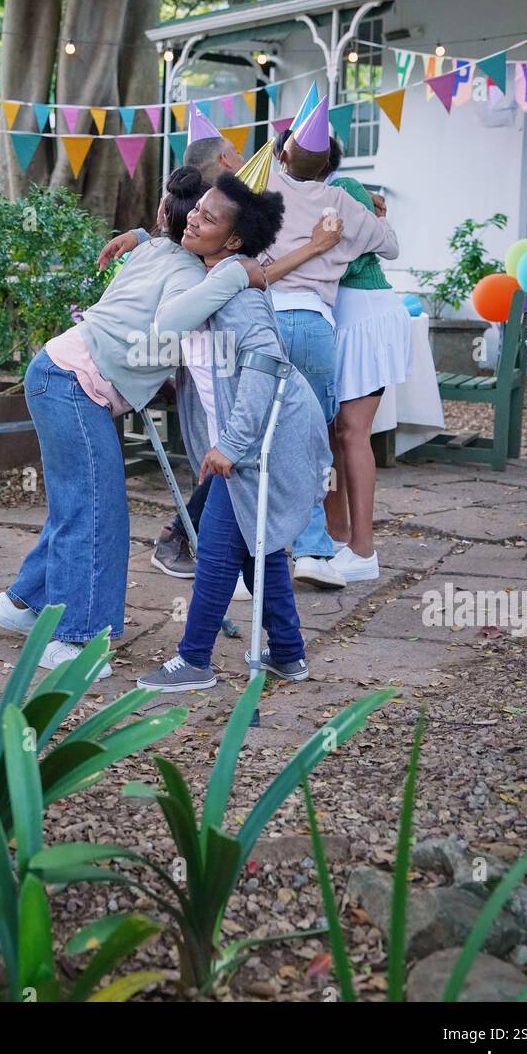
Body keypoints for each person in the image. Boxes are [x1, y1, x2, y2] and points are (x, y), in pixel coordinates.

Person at [0, 164, 265, 677]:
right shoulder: (186, 271)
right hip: (73, 381)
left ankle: (21, 603)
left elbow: (156, 231)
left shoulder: (156, 247)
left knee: (81, 505)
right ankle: (74, 643)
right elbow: (172, 319)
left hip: (59, 373)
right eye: (200, 214)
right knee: (95, 512)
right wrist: (237, 273)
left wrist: (138, 233)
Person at [135, 173, 331, 692]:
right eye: (196, 209)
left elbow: (263, 369)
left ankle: (194, 660)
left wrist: (233, 446)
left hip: (267, 437)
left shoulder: (241, 299)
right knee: (256, 551)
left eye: (208, 217)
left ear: (235, 241)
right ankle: (288, 654)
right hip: (244, 439)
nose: (194, 219)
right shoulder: (209, 282)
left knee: (220, 552)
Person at [259, 98, 401, 590]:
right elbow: (390, 247)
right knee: (317, 441)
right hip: (319, 326)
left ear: (280, 157)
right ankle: (319, 548)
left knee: (265, 437)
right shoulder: (340, 201)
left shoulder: (266, 186)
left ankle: (266, 548)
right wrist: (372, 215)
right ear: (330, 166)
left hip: (268, 323)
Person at [99, 128, 245, 581]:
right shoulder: (206, 225)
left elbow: (178, 236)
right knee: (220, 449)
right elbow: (184, 248)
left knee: (226, 447)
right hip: (204, 349)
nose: (242, 157)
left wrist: (141, 236)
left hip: (212, 341)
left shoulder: (218, 210)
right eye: (236, 152)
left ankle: (218, 545)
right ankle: (182, 538)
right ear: (222, 160)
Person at [324, 177, 413, 583]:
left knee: (352, 432)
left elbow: (377, 247)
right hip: (338, 319)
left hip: (363, 318)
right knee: (330, 436)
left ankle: (363, 550)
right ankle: (337, 534)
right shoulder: (305, 192)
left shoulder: (343, 188)